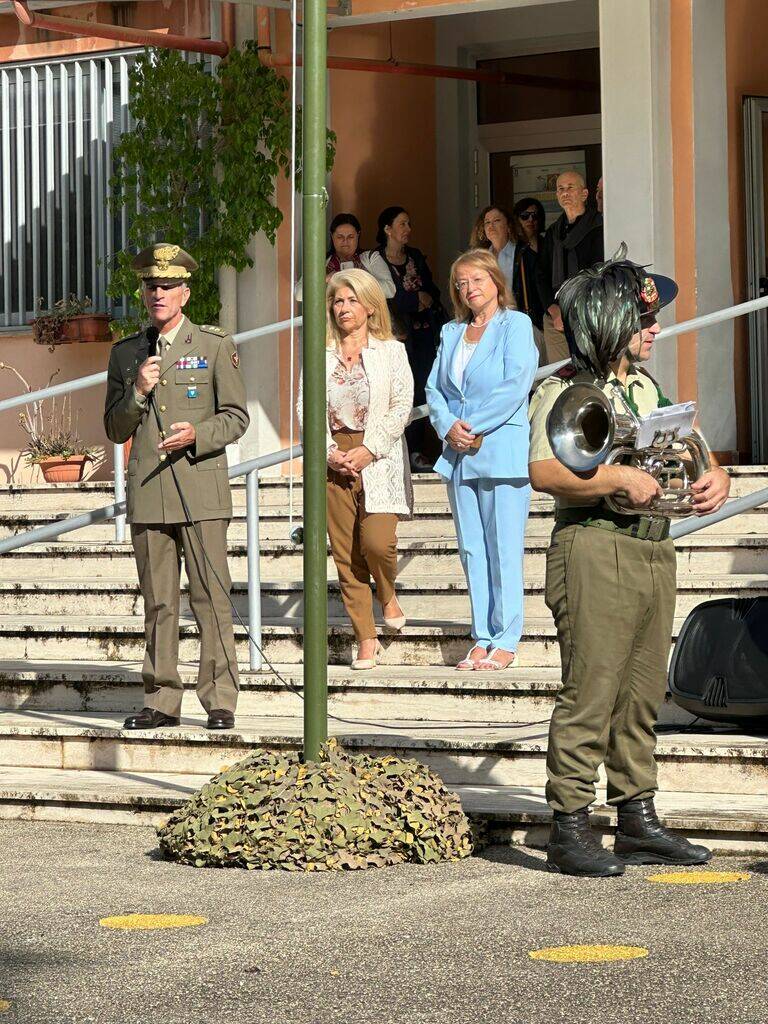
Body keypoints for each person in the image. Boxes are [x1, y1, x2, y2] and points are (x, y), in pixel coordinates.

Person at [527, 248, 731, 876]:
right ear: (610, 320)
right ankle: (569, 823)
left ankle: (637, 816)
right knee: (591, 688)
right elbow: (542, 470)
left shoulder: (644, 387)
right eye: (644, 317)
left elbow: (689, 445)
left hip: (651, 545)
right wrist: (613, 476)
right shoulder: (564, 387)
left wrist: (713, 477)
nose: (655, 328)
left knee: (641, 692)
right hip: (593, 544)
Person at [104, 243, 249, 732]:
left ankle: (219, 698)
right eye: (150, 285)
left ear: (185, 293)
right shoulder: (126, 353)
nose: (157, 293)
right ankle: (161, 699)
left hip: (201, 491)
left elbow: (235, 417)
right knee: (159, 602)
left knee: (211, 596)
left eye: (167, 285)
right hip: (148, 492)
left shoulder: (212, 345)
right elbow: (115, 428)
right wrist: (137, 392)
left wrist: (197, 435)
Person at [426, 249, 538, 671]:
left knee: (503, 548)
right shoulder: (450, 331)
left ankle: (507, 637)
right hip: (458, 454)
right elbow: (434, 390)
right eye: (461, 283)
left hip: (500, 449)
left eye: (476, 280)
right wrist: (447, 427)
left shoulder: (516, 324)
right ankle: (482, 636)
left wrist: (468, 426)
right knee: (472, 549)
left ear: (495, 281)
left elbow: (515, 386)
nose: (469, 289)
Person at [308, 268, 414, 670]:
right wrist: (328, 451)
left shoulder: (391, 351)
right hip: (335, 456)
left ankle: (386, 592)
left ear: (370, 307)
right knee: (346, 555)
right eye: (337, 301)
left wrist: (370, 449)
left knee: (377, 542)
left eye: (352, 300)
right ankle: (365, 638)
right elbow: (308, 407)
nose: (343, 308)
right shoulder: (322, 354)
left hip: (378, 454)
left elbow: (401, 405)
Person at [377, 206, 443, 472]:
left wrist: (423, 298)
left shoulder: (414, 256)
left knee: (421, 388)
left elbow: (431, 290)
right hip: (394, 335)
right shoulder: (376, 259)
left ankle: (416, 450)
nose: (408, 229)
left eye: (409, 224)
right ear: (387, 229)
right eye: (402, 224)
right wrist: (413, 299)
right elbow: (384, 296)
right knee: (395, 390)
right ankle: (395, 450)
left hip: (424, 332)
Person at [535, 170, 603, 364]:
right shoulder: (553, 233)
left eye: (570, 188)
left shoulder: (598, 227)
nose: (565, 193)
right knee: (560, 375)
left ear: (584, 194)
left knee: (591, 370)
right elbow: (540, 274)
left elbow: (601, 271)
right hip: (556, 318)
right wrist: (553, 310)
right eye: (560, 189)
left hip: (590, 314)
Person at [470, 203, 544, 346]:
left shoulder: (524, 255)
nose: (491, 226)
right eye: (487, 222)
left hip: (518, 324)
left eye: (497, 221)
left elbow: (537, 292)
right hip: (488, 326)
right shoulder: (480, 259)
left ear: (509, 226)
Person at [295, 213, 395, 302]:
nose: (345, 241)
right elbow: (299, 294)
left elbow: (390, 290)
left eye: (350, 237)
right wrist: (325, 279)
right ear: (332, 236)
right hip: (329, 321)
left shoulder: (370, 257)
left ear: (358, 235)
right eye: (340, 237)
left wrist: (358, 278)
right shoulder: (320, 262)